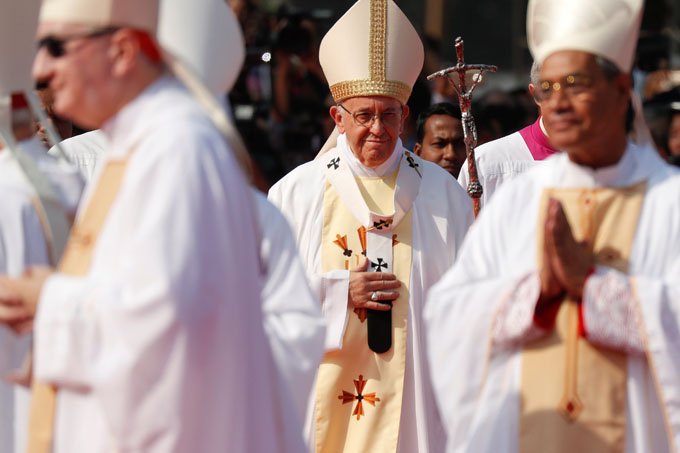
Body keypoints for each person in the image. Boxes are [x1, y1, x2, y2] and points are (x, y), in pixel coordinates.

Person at [0, 0, 308, 452]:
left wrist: (50, 302)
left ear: (123, 51)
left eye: (55, 47)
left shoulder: (176, 148)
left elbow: (168, 324)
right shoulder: (138, 146)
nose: (40, 69)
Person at [425, 0, 680, 451]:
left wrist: (592, 285)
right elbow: (450, 314)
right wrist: (538, 292)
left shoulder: (669, 200)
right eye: (547, 86)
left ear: (622, 88)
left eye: (575, 84)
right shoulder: (521, 198)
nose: (557, 101)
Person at [268, 1, 473, 451]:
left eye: (390, 114)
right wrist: (340, 292)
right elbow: (264, 303)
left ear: (405, 116)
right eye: (364, 115)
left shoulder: (444, 196)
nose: (378, 129)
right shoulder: (295, 194)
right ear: (337, 118)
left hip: (417, 402)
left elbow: (470, 308)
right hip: (320, 401)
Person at [458, 62, 558, 206]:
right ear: (535, 94)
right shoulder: (487, 162)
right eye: (550, 88)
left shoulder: (601, 159)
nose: (563, 100)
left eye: (575, 86)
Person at [413, 102, 466, 178]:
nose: (451, 155)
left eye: (460, 144)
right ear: (418, 153)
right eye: (439, 144)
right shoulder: (403, 189)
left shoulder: (486, 189)